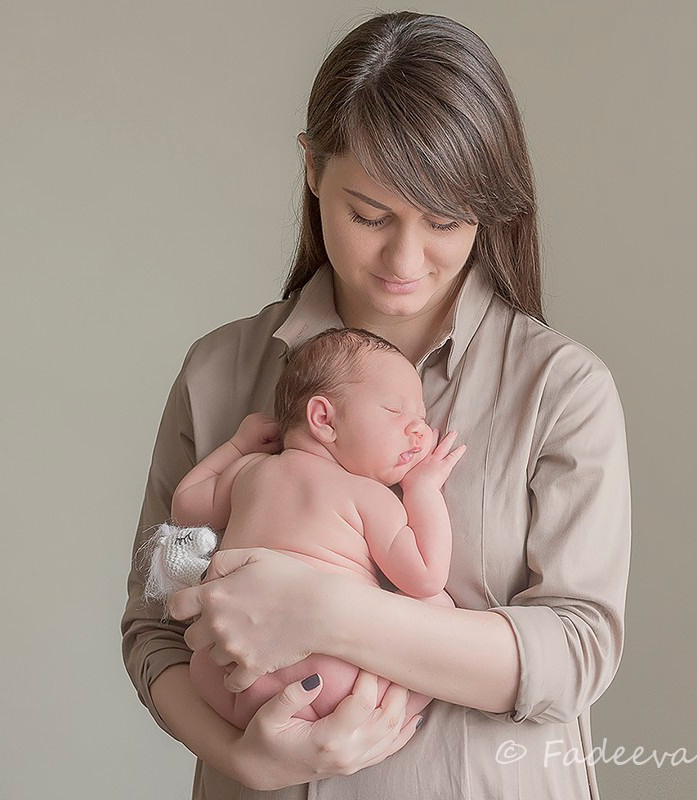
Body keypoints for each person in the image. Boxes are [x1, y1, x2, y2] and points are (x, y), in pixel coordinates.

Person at [120, 11, 632, 799]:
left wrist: (330, 613)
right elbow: (153, 628)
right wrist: (244, 761)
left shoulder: (561, 389)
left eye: (445, 221)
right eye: (370, 215)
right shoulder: (220, 372)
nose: (405, 259)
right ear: (312, 170)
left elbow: (579, 649)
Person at [169, 328, 463, 730]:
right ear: (323, 418)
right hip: (334, 675)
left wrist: (237, 446)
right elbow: (426, 577)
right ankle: (392, 723)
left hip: (225, 671)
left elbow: (185, 507)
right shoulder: (367, 495)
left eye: (422, 420)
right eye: (396, 412)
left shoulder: (248, 470)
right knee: (440, 609)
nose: (418, 430)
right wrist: (422, 488)